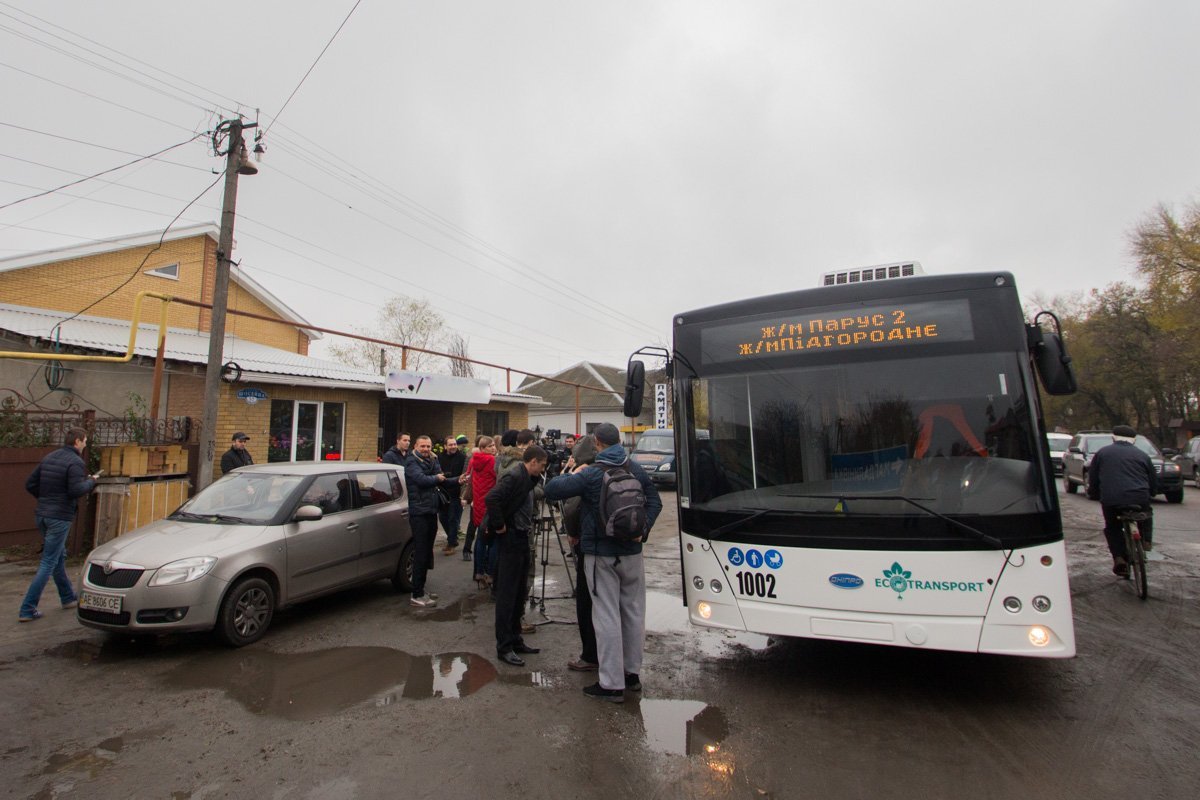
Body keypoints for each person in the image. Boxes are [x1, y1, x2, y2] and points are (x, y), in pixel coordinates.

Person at [545, 422, 662, 703]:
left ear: (597, 443)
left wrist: (576, 470)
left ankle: (611, 684)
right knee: (633, 613)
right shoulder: (634, 468)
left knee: (606, 615)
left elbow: (551, 489)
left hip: (601, 555)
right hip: (632, 553)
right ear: (618, 441)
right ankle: (631, 675)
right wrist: (641, 531)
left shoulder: (592, 474)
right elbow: (655, 501)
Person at [19, 427, 97, 622]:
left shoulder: (50, 457)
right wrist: (91, 482)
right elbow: (75, 490)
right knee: (48, 562)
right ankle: (27, 609)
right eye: (85, 441)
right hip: (59, 517)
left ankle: (68, 597)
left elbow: (30, 484)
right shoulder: (76, 462)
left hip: (43, 515)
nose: (85, 444)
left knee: (57, 556)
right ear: (77, 442)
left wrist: (45, 500)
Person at [485, 444, 549, 666]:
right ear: (532, 462)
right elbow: (491, 499)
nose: (542, 469)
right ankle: (504, 647)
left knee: (520, 591)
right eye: (541, 465)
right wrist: (500, 526)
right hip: (511, 538)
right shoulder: (513, 476)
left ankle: (515, 639)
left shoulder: (526, 477)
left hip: (522, 537)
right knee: (507, 594)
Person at [1087, 425, 1157, 577]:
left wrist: (1094, 493)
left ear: (1113, 438)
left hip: (1112, 499)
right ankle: (1146, 541)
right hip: (1139, 497)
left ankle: (1119, 558)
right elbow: (1152, 479)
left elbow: (1093, 478)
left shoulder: (1102, 453)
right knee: (1146, 514)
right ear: (1134, 440)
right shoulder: (1142, 455)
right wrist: (1152, 492)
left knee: (1113, 527)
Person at [562, 434, 599, 671]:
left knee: (586, 601)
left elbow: (571, 506)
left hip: (589, 544)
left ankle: (590, 656)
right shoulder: (626, 467)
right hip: (620, 547)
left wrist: (572, 532)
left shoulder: (586, 474)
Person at [404, 435, 449, 607]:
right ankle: (417, 594)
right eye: (422, 446)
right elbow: (422, 480)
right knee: (421, 553)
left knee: (427, 552)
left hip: (431, 511)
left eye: (428, 446)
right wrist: (437, 478)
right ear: (415, 446)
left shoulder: (432, 459)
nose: (426, 449)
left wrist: (457, 480)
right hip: (419, 513)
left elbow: (441, 477)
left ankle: (421, 588)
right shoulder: (411, 462)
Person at [464, 436, 498, 577]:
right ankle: (489, 572)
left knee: (480, 539)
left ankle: (478, 572)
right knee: (492, 541)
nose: (493, 448)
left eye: (494, 445)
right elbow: (497, 478)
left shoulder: (474, 460)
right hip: (489, 504)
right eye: (490, 446)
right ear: (482, 448)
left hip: (478, 503)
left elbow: (470, 478)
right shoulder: (491, 460)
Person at [437, 436, 467, 555]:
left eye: (454, 444)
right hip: (443, 493)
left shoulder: (462, 458)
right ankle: (452, 540)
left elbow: (465, 475)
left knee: (453, 519)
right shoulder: (439, 457)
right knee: (442, 517)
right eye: (450, 444)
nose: (453, 446)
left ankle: (451, 543)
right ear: (445, 446)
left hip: (456, 493)